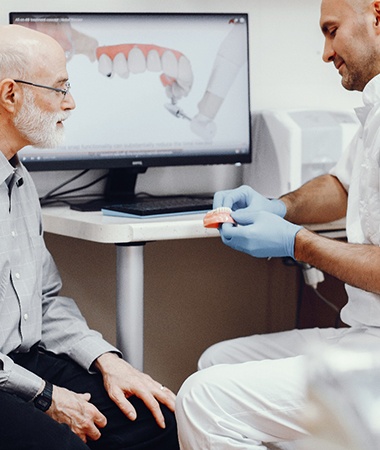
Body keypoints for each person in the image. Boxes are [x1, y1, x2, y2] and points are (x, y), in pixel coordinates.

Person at [175, 0, 380, 448]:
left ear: (377, 16)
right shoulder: (376, 111)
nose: (325, 53)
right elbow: (344, 185)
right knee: (216, 362)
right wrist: (276, 206)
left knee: (203, 399)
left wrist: (298, 244)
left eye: (331, 30)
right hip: (367, 334)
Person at [0, 24, 179, 450]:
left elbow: (44, 301)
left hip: (23, 361)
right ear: (11, 95)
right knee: (62, 445)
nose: (71, 102)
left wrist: (108, 361)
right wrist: (46, 397)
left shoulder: (18, 182)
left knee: (157, 420)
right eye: (60, 89)